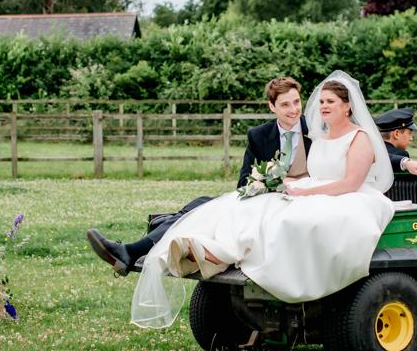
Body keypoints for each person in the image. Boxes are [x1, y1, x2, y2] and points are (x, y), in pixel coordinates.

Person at [130, 70, 395, 329]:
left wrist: (404, 161)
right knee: (252, 207)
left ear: (347, 106)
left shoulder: (353, 135)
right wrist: (280, 184)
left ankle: (227, 256)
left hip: (349, 197)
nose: (321, 106)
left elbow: (357, 175)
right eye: (321, 101)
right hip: (311, 190)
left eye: (330, 102)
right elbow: (258, 178)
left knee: (289, 219)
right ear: (272, 106)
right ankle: (213, 251)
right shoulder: (320, 135)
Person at [87, 77, 313, 276]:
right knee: (202, 205)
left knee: (206, 209)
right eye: (285, 104)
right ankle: (139, 245)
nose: (294, 110)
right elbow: (244, 181)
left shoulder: (314, 131)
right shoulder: (259, 135)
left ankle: (136, 247)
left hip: (296, 202)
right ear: (272, 106)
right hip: (260, 198)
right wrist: (264, 181)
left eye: (296, 102)